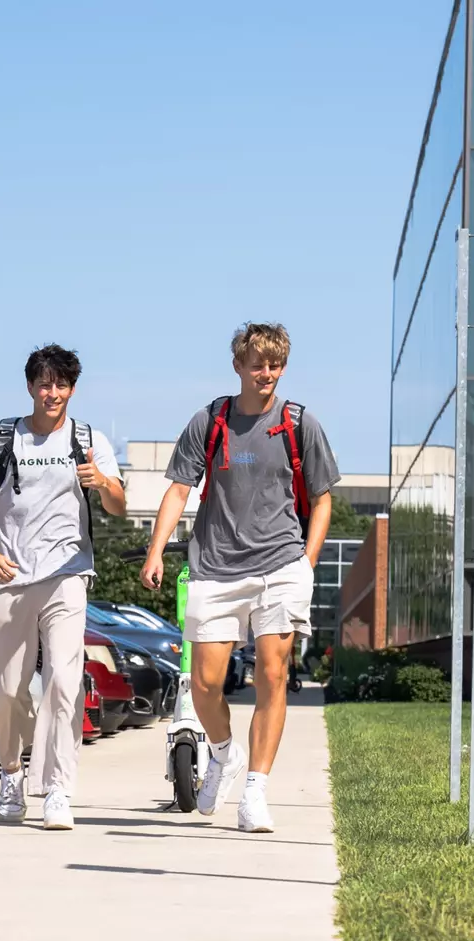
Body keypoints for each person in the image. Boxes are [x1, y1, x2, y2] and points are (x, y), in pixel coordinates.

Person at [140, 322, 338, 833]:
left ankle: (256, 790)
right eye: (257, 364)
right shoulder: (210, 421)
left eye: (274, 364)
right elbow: (180, 491)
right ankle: (223, 754)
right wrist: (157, 550)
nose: (266, 373)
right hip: (215, 565)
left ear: (283, 367)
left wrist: (307, 563)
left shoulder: (300, 424)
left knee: (272, 674)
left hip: (281, 565)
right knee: (204, 683)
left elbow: (321, 500)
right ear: (238, 366)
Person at [0, 344, 125, 829]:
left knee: (63, 681)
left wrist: (103, 483)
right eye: (44, 384)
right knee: (8, 689)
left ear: (73, 389)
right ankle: (11, 773)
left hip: (67, 574)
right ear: (31, 387)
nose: (52, 393)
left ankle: (57, 788)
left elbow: (117, 505)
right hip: (9, 574)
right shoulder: (1, 437)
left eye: (61, 385)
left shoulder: (88, 439)